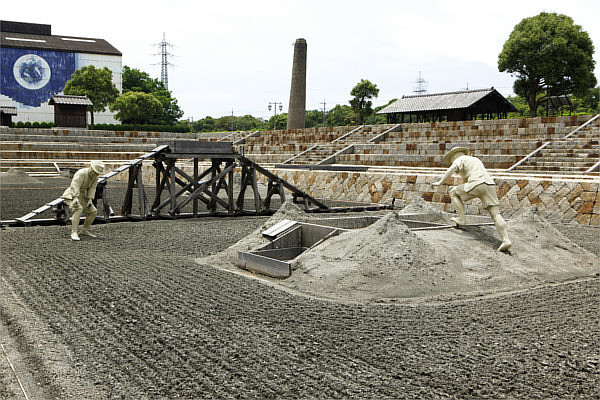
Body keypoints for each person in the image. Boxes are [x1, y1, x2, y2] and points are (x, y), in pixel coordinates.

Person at [432, 147, 512, 252]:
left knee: (453, 192)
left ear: (454, 156)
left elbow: (452, 169)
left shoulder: (460, 159)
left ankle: (462, 219)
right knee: (495, 214)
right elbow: (466, 181)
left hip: (477, 183)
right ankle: (506, 239)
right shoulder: (475, 160)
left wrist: (440, 182)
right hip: (489, 184)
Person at [62, 160, 105, 241]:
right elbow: (75, 185)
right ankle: (74, 232)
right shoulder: (81, 173)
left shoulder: (95, 177)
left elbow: (92, 188)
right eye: (95, 172)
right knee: (78, 209)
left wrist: (90, 199)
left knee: (93, 211)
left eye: (97, 173)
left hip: (81, 195)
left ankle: (84, 230)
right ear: (91, 168)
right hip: (71, 194)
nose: (96, 174)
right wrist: (75, 198)